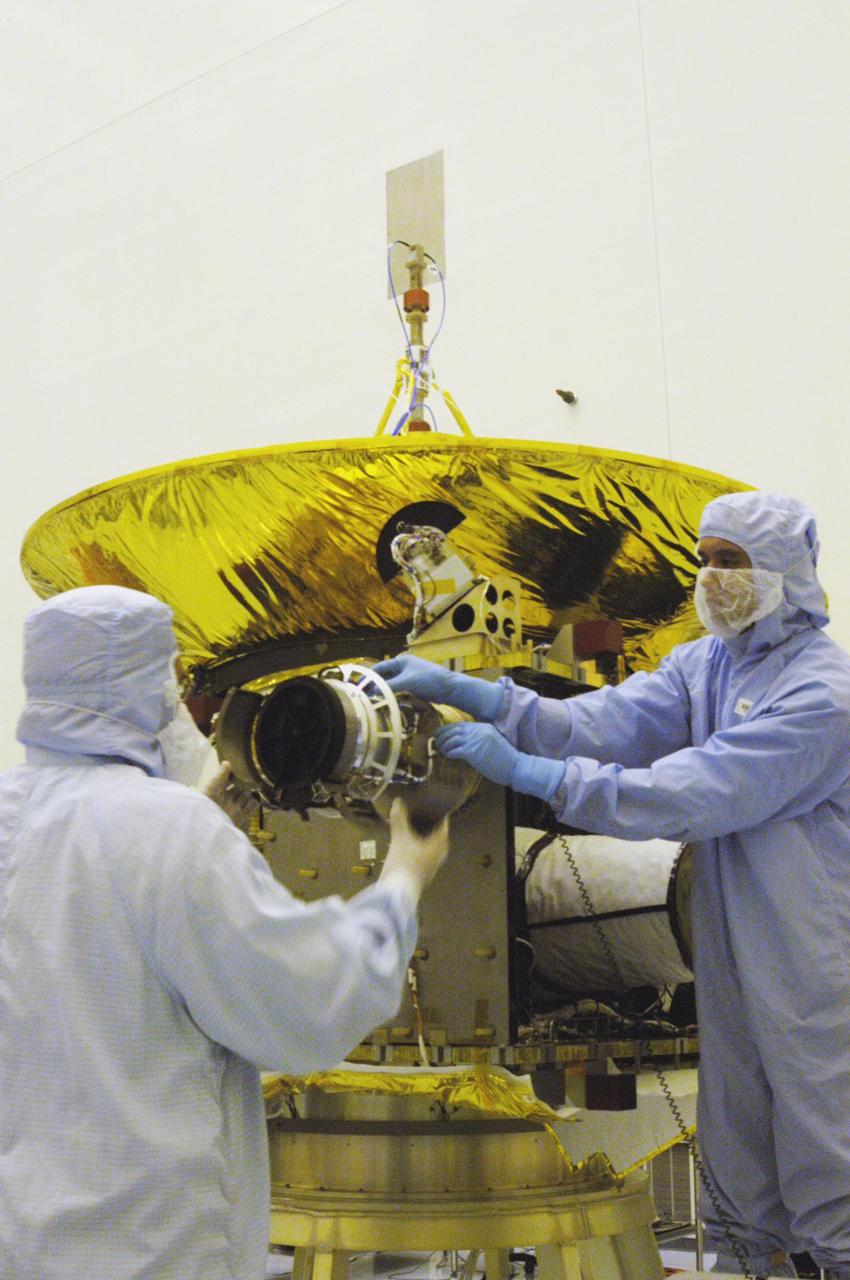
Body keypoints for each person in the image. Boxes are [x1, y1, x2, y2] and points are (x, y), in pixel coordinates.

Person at [376, 490, 850, 1280]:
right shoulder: (707, 663)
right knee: (736, 1122)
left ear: (783, 572)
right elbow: (607, 721)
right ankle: (752, 1261)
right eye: (704, 560)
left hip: (813, 950)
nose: (711, 579)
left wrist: (534, 774)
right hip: (730, 947)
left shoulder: (822, 695)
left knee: (825, 1123)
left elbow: (692, 789)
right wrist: (489, 697)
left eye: (731, 563)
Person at [0, 585, 448, 1280]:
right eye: (173, 678)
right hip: (150, 1248)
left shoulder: (17, 815)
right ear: (141, 683)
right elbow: (299, 1007)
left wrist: (197, 833)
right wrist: (403, 879)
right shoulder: (167, 834)